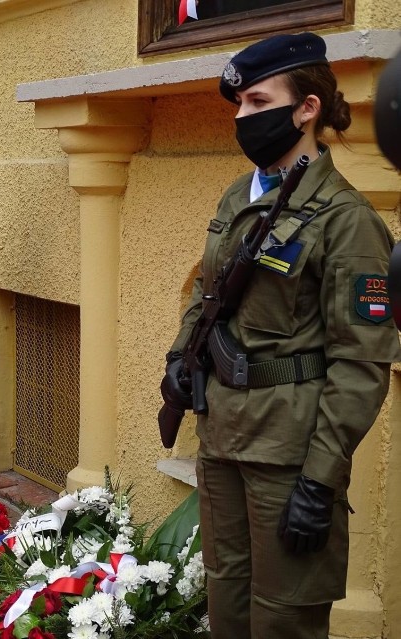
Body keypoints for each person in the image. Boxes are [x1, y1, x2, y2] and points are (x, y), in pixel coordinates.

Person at [160, 33, 401, 638]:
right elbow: (206, 290)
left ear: (307, 108)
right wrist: (179, 357)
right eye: (239, 104)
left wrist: (320, 479)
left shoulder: (347, 221)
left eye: (258, 101)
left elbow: (360, 363)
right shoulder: (240, 194)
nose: (243, 118)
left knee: (282, 618)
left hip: (288, 455)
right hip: (222, 436)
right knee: (227, 595)